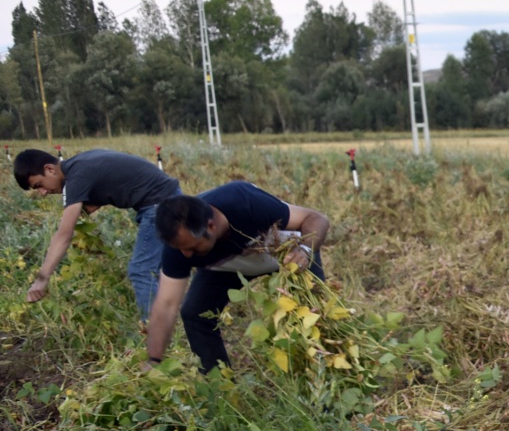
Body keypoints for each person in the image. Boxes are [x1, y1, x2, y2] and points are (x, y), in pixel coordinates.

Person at [146, 182, 330, 373]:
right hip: (228, 265)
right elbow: (166, 304)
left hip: (287, 255)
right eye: (181, 249)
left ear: (211, 226)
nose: (186, 255)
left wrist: (306, 250)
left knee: (316, 315)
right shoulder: (179, 244)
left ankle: (323, 378)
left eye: (192, 247)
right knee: (195, 313)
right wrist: (154, 360)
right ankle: (217, 386)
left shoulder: (246, 202)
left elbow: (316, 218)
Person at [12, 147, 182, 317]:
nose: (42, 193)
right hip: (168, 198)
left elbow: (64, 234)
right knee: (161, 268)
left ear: (49, 169)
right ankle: (173, 322)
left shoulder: (76, 178)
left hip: (160, 205)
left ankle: (155, 331)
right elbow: (111, 176)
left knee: (142, 270)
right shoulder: (80, 163)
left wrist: (42, 279)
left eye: (39, 185)